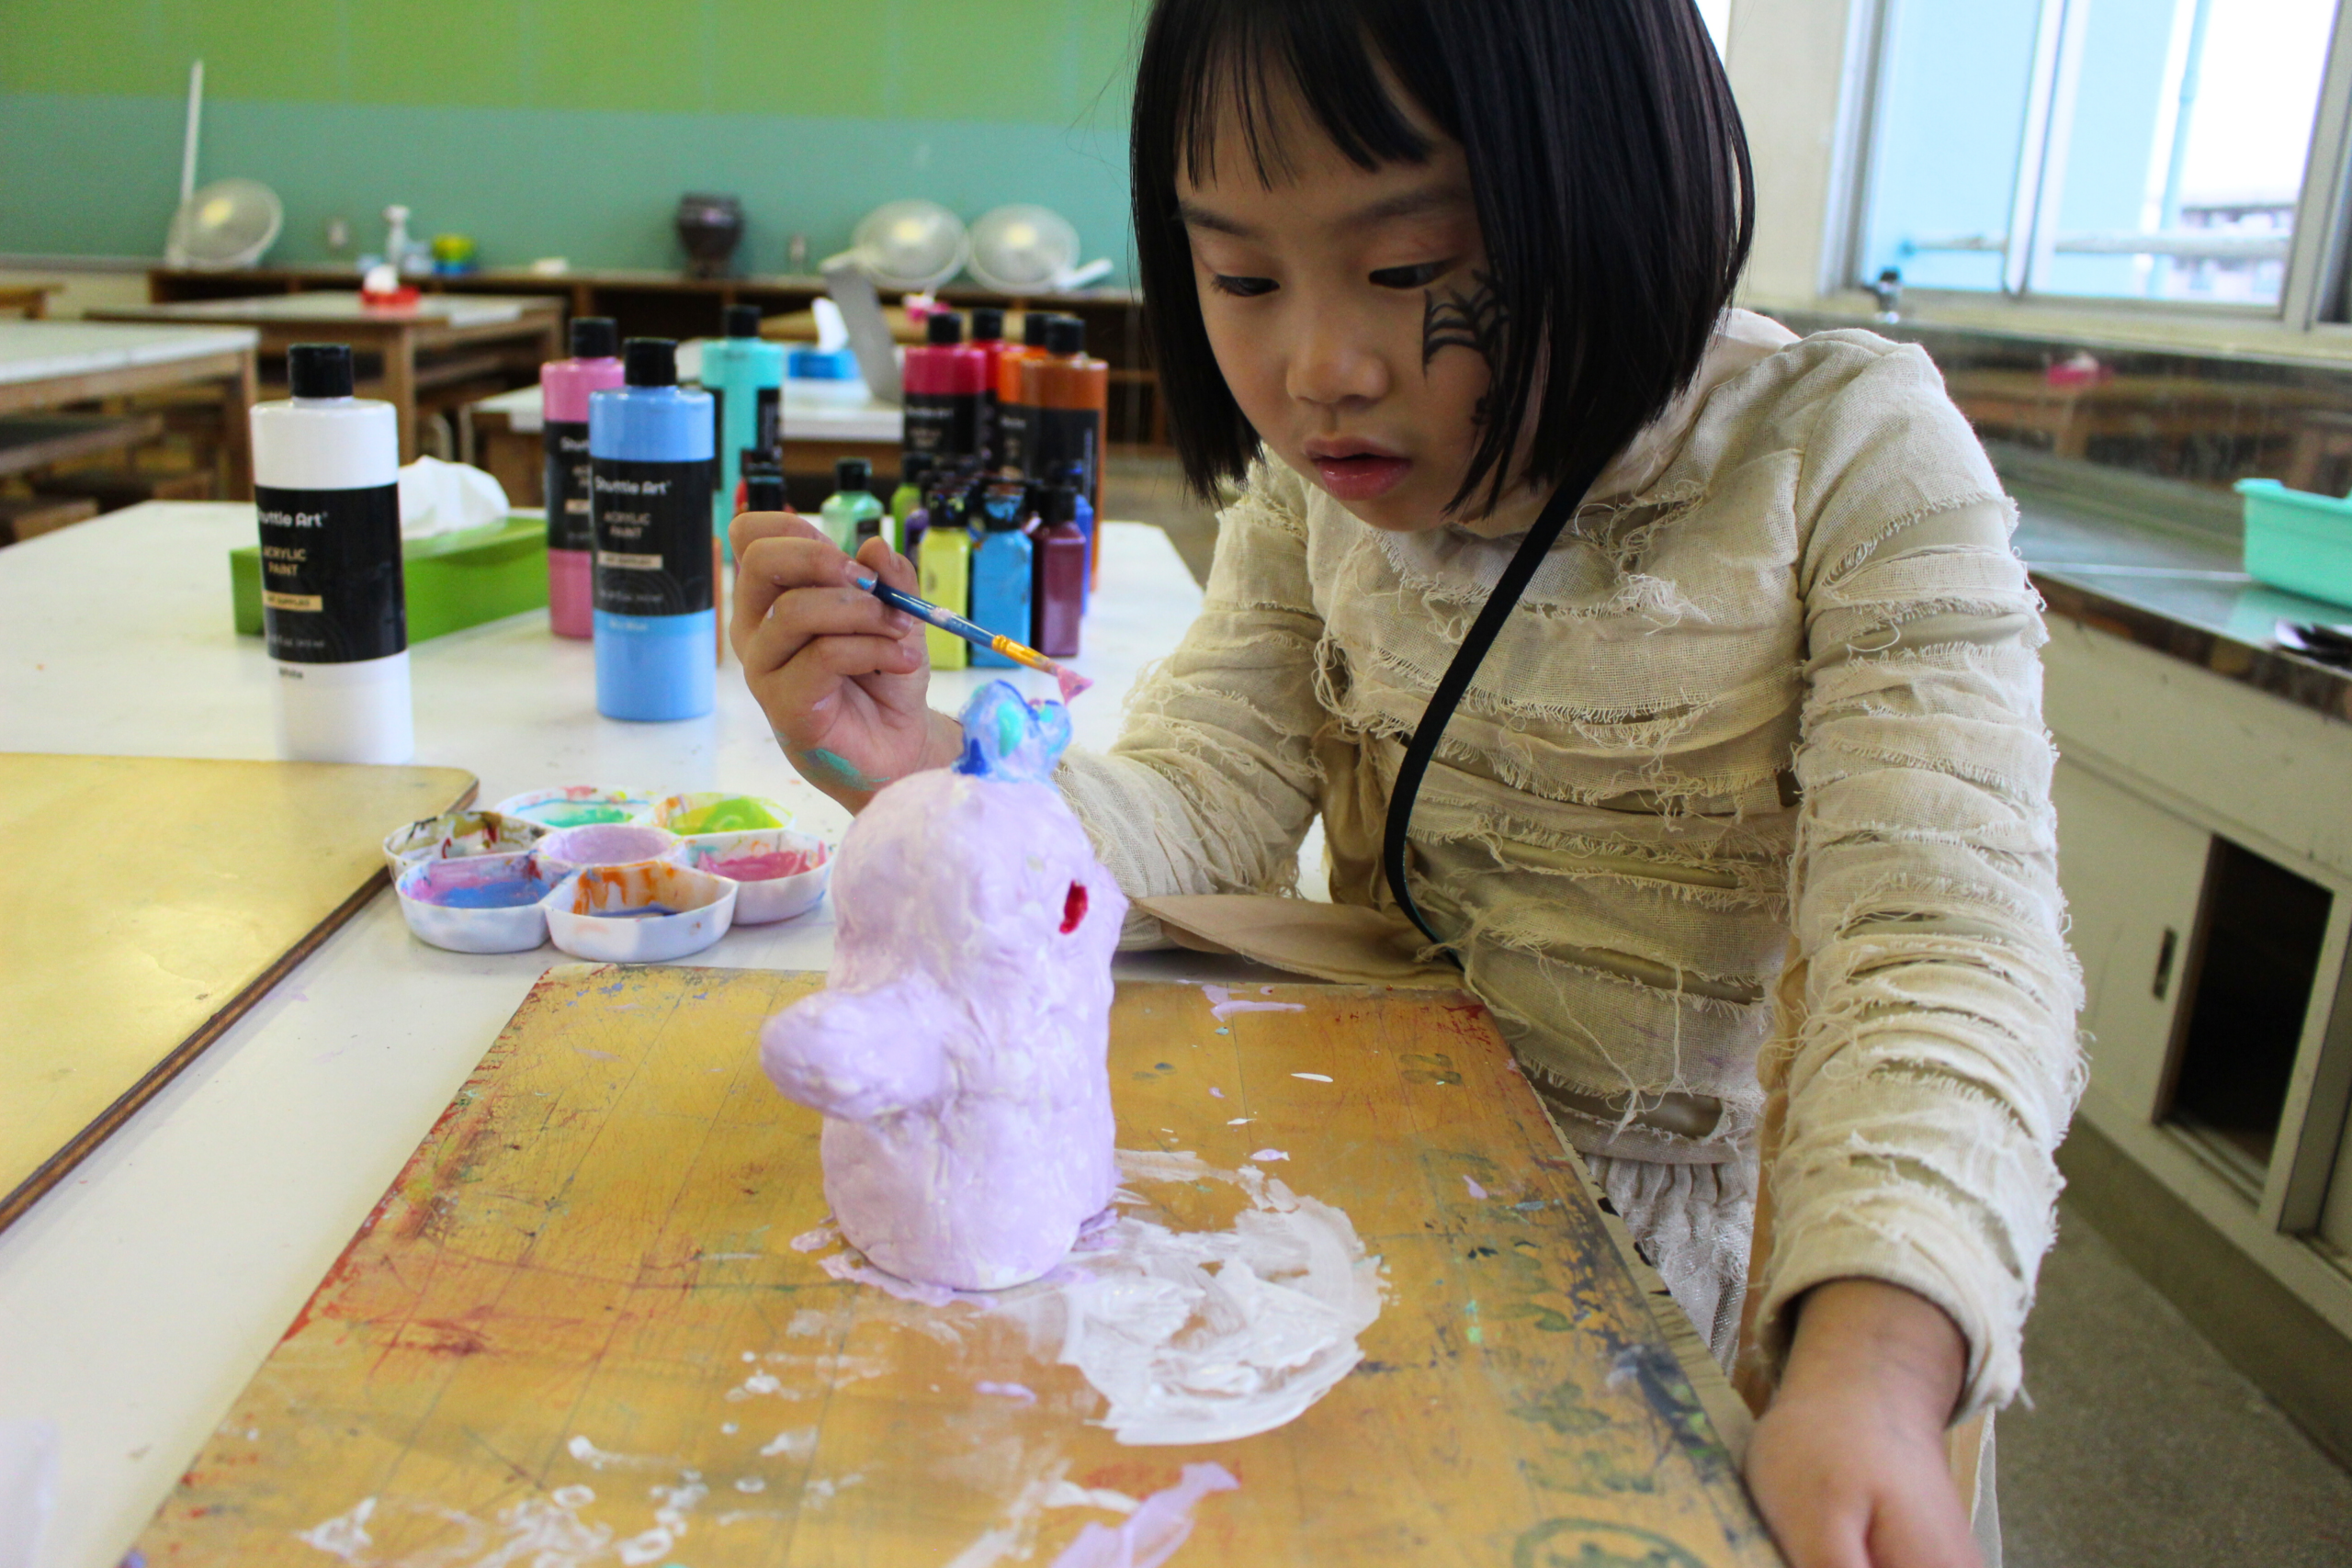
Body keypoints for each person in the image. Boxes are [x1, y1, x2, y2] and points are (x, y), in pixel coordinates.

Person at [727, 2, 2082, 1563]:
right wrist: (943, 792)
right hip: (1364, 1189)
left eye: (1410, 268)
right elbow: (1207, 793)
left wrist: (1879, 1363)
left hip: (1711, 1298)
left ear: (1618, 193)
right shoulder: (1319, 495)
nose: (1319, 371)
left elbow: (1942, 944)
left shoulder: (1846, 457)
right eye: (1243, 278)